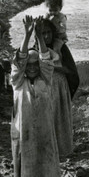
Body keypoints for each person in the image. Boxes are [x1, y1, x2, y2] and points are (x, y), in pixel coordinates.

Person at [10, 16, 62, 177]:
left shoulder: (45, 80)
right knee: (25, 167)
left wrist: (39, 37)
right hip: (24, 135)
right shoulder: (17, 82)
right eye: (28, 66)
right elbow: (19, 62)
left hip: (44, 135)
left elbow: (46, 60)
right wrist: (27, 35)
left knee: (45, 166)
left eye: (35, 65)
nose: (32, 68)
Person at [36, 18, 79, 157]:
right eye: (43, 33)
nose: (46, 36)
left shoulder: (60, 47)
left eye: (48, 32)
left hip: (59, 86)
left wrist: (55, 68)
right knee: (46, 117)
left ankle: (62, 148)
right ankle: (47, 148)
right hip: (43, 87)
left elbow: (70, 69)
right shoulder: (35, 48)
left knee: (59, 116)